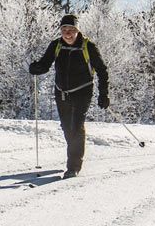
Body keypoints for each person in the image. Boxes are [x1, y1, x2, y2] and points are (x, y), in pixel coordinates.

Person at [28, 14, 110, 178]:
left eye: (71, 29)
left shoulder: (88, 47)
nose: (67, 33)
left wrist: (103, 94)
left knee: (76, 127)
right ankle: (73, 157)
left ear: (77, 30)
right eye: (64, 29)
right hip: (61, 92)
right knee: (66, 127)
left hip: (83, 91)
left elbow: (102, 70)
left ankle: (73, 166)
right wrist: (36, 68)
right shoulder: (56, 45)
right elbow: (46, 64)